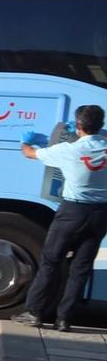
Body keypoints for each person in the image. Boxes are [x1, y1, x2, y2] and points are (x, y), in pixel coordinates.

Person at [16, 103, 107, 332]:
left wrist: (26, 140)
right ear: (101, 125)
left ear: (78, 126)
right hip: (100, 214)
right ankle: (64, 319)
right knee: (81, 269)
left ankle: (34, 313)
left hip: (72, 212)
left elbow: (29, 154)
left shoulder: (68, 150)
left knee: (51, 261)